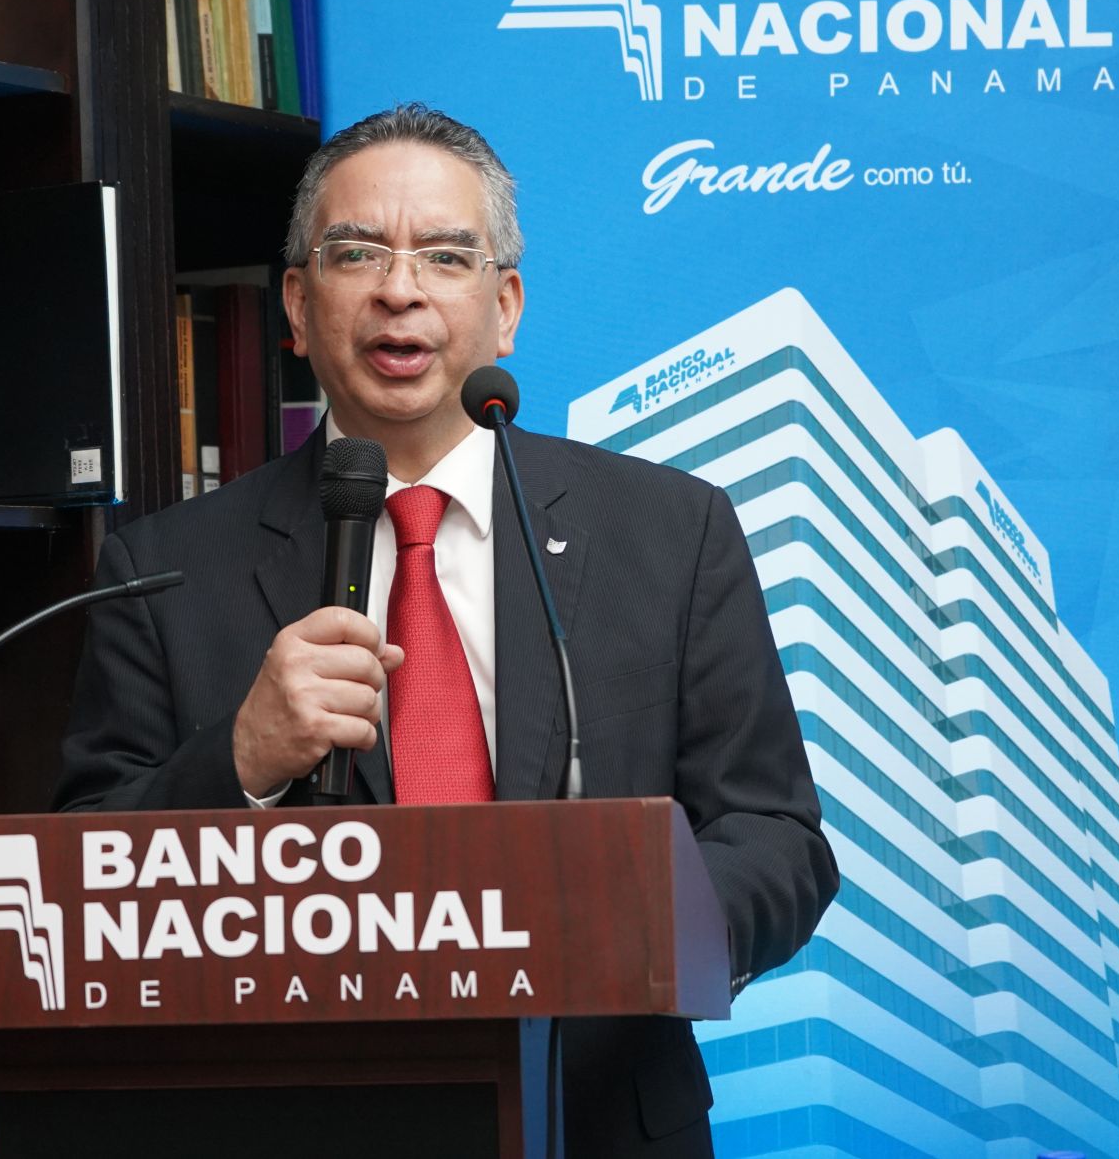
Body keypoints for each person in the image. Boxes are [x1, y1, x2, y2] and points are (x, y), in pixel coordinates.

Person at [57, 103, 836, 1156]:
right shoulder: (164, 570)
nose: (399, 288)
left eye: (445, 255)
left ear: (504, 307)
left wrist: (647, 927)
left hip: (600, 1120)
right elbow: (83, 879)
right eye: (355, 252)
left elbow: (777, 836)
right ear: (297, 304)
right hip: (296, 1124)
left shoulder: (670, 533)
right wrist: (238, 761)